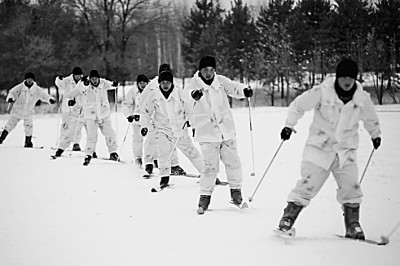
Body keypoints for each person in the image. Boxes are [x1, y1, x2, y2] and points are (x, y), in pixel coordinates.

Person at [276, 59, 381, 240]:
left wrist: (375, 134)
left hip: (345, 150)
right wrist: (289, 125)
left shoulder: (362, 98)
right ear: (338, 77)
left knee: (351, 187)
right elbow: (298, 106)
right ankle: (288, 218)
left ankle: (352, 225)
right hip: (319, 148)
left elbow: (371, 118)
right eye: (343, 77)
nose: (347, 81)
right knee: (307, 185)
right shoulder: (322, 92)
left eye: (351, 78)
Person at [186, 55, 253, 214]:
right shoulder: (193, 83)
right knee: (210, 167)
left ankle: (236, 192)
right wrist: (193, 96)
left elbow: (234, 88)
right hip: (207, 133)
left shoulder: (221, 81)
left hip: (226, 131)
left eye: (211, 70)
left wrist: (245, 90)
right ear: (200, 70)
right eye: (205, 70)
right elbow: (186, 97)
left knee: (233, 162)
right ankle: (205, 197)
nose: (208, 73)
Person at [141, 70, 204, 188]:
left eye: (168, 82)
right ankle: (164, 177)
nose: (165, 85)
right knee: (163, 153)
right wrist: (144, 125)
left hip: (179, 129)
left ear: (171, 83)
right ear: (159, 83)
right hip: (162, 129)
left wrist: (193, 124)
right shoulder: (154, 94)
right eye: (163, 82)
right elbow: (145, 111)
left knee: (191, 152)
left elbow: (190, 109)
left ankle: (207, 175)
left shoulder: (180, 93)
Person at [138, 63, 186, 176]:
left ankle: (173, 165)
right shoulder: (152, 85)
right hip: (153, 118)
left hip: (168, 119)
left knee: (169, 143)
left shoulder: (173, 84)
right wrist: (141, 118)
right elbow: (142, 101)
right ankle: (149, 162)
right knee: (151, 141)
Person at [65, 70, 119, 165]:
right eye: (92, 79)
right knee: (92, 136)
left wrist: (115, 84)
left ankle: (113, 152)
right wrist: (71, 99)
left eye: (96, 78)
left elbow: (112, 85)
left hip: (104, 114)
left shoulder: (103, 83)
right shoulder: (86, 85)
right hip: (91, 116)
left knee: (110, 134)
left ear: (98, 78)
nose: (94, 81)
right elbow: (77, 90)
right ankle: (89, 153)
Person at [0, 72, 56, 147]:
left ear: (33, 80)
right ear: (26, 79)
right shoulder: (20, 87)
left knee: (29, 126)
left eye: (31, 79)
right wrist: (10, 98)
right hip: (17, 110)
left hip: (28, 112)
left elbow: (44, 95)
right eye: (28, 79)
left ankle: (28, 142)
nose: (29, 80)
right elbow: (12, 93)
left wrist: (50, 99)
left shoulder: (36, 89)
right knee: (10, 125)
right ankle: (1, 138)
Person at [122, 74, 156, 174]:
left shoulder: (152, 90)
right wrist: (129, 115)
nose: (142, 85)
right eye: (140, 83)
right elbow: (126, 104)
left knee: (151, 140)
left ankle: (153, 159)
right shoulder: (133, 91)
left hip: (148, 120)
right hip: (137, 120)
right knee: (137, 139)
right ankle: (137, 158)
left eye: (144, 83)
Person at [54, 67, 84, 151]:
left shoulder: (83, 81)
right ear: (73, 75)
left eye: (79, 75)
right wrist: (59, 79)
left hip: (78, 107)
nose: (78, 77)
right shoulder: (67, 80)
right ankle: (62, 143)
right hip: (67, 107)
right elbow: (59, 84)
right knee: (65, 125)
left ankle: (76, 143)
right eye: (76, 75)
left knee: (77, 125)